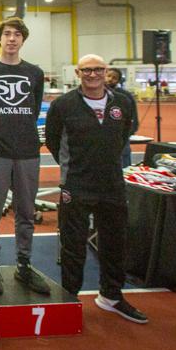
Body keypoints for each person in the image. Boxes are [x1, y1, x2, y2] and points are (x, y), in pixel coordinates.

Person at [46, 54, 147, 324]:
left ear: (107, 72)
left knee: (115, 242)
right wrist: (76, 166)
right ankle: (69, 298)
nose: (93, 74)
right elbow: (53, 140)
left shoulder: (123, 102)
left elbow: (126, 132)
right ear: (78, 73)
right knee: (73, 245)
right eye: (87, 70)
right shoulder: (63, 105)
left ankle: (111, 296)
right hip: (76, 184)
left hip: (112, 183)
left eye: (98, 69)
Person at [0, 16, 49, 295]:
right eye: (7, 34)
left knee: (26, 212)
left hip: (27, 151)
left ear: (23, 40)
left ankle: (24, 265)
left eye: (17, 34)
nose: (12, 38)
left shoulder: (35, 73)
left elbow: (35, 106)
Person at [106, 67, 140, 168]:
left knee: (124, 167)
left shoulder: (125, 96)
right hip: (102, 138)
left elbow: (133, 118)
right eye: (108, 76)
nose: (110, 79)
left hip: (121, 137)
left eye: (114, 78)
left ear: (118, 81)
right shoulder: (95, 94)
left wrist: (128, 133)